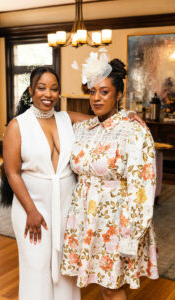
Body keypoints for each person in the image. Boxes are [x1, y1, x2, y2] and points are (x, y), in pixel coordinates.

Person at [2, 65, 144, 300]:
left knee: (66, 267)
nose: (48, 94)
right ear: (31, 90)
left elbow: (104, 121)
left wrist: (128, 115)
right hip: (32, 207)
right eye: (42, 88)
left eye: (54, 89)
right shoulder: (17, 125)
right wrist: (31, 210)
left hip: (68, 207)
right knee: (36, 266)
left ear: (59, 93)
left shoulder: (67, 119)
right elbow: (13, 173)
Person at [61, 53, 159, 300]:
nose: (96, 98)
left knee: (111, 285)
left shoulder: (134, 131)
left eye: (104, 92)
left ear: (118, 95)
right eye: (92, 91)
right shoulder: (82, 129)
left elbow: (143, 186)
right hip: (85, 218)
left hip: (116, 221)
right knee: (98, 283)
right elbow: (52, 118)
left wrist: (131, 235)